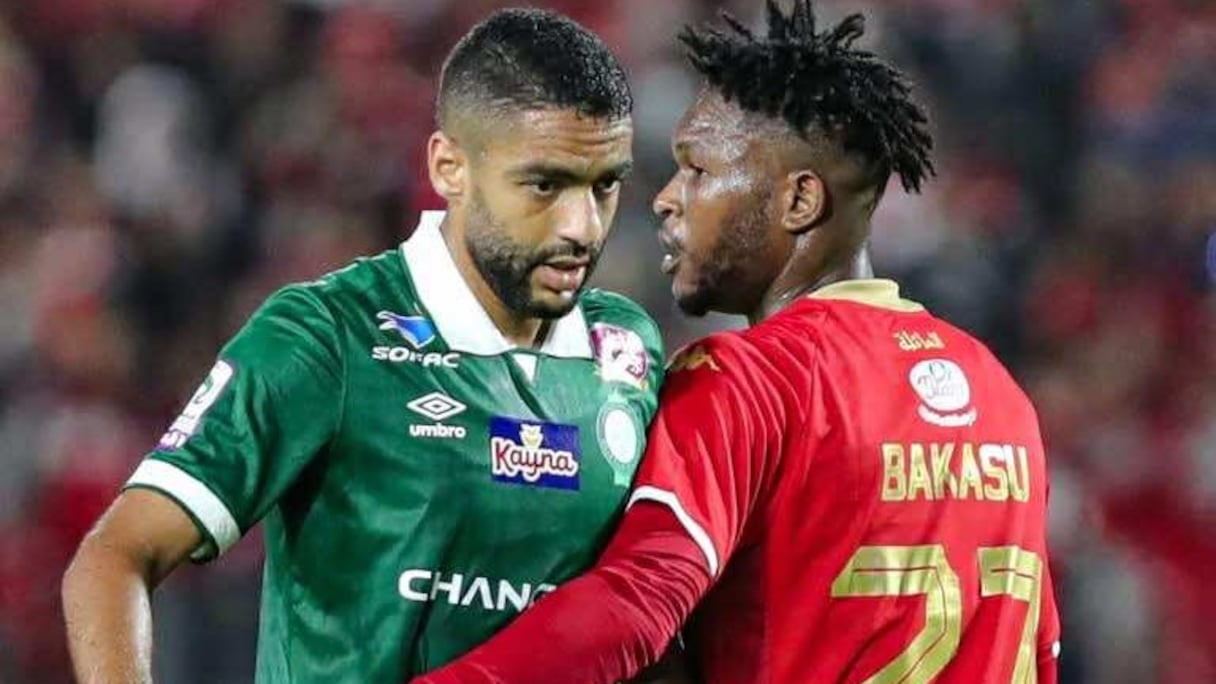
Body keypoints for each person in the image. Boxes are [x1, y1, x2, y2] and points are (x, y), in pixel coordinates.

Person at [412, 2, 1060, 683]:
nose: (666, 198)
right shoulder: (1001, 396)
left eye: (696, 170)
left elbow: (637, 602)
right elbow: (1041, 654)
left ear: (799, 202)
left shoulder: (750, 379)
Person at [61, 9, 669, 683]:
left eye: (605, 184)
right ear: (449, 167)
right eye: (545, 185)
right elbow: (113, 559)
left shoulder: (628, 351)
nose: (582, 226)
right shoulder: (329, 336)